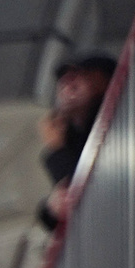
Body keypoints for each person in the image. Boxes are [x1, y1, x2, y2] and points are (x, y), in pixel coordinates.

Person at [39, 53, 118, 229]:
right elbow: (67, 201)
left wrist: (57, 150)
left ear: (107, 83)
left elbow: (94, 186)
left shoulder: (119, 128)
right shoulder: (71, 140)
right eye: (63, 78)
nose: (68, 81)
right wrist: (52, 207)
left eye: (81, 73)